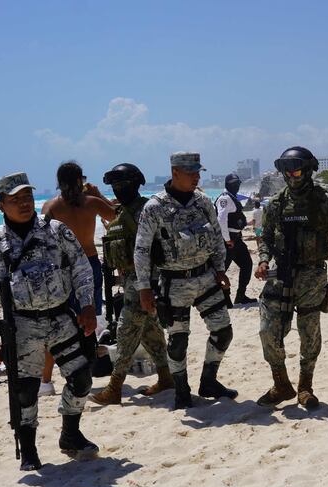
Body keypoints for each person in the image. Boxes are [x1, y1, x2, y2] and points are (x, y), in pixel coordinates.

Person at [0, 172, 100, 469]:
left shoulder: (56, 230)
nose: (24, 203)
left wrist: (87, 305)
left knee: (81, 379)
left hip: (61, 318)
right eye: (15, 199)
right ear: (1, 204)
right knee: (25, 391)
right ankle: (28, 448)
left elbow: (81, 267)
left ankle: (70, 433)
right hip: (22, 327)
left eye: (27, 197)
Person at [135, 151, 236, 409]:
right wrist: (144, 288)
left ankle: (209, 381)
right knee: (178, 341)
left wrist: (220, 269)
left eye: (198, 172)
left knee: (223, 332)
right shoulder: (154, 207)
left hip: (206, 278)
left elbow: (215, 237)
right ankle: (181, 390)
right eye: (190, 173)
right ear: (175, 172)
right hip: (174, 284)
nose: (195, 177)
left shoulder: (202, 201)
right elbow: (142, 249)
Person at [254, 146, 328, 409]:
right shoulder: (276, 204)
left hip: (312, 276)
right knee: (268, 331)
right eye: (286, 170)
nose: (290, 175)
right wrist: (263, 259)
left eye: (295, 169)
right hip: (280, 275)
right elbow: (264, 237)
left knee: (309, 334)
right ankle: (282, 384)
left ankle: (305, 387)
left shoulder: (324, 203)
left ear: (307, 170)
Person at [90, 163, 173, 405]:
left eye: (122, 185)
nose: (117, 189)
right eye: (114, 186)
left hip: (144, 281)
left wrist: (152, 284)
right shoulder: (122, 212)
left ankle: (115, 386)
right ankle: (166, 376)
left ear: (135, 185)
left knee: (125, 330)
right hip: (129, 280)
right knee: (150, 331)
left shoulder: (146, 210)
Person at [39, 162, 117, 396]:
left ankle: (46, 381)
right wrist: (97, 194)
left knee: (60, 322)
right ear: (80, 180)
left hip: (63, 268)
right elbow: (117, 216)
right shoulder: (91, 202)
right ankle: (83, 372)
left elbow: (42, 243)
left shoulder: (51, 206)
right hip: (89, 263)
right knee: (89, 321)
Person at [215, 174, 256, 304]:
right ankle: (222, 299)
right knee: (221, 271)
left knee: (247, 264)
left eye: (237, 183)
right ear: (227, 184)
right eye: (233, 183)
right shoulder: (225, 198)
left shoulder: (232, 197)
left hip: (236, 239)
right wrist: (227, 239)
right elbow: (221, 219)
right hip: (228, 241)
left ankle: (240, 296)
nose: (236, 186)